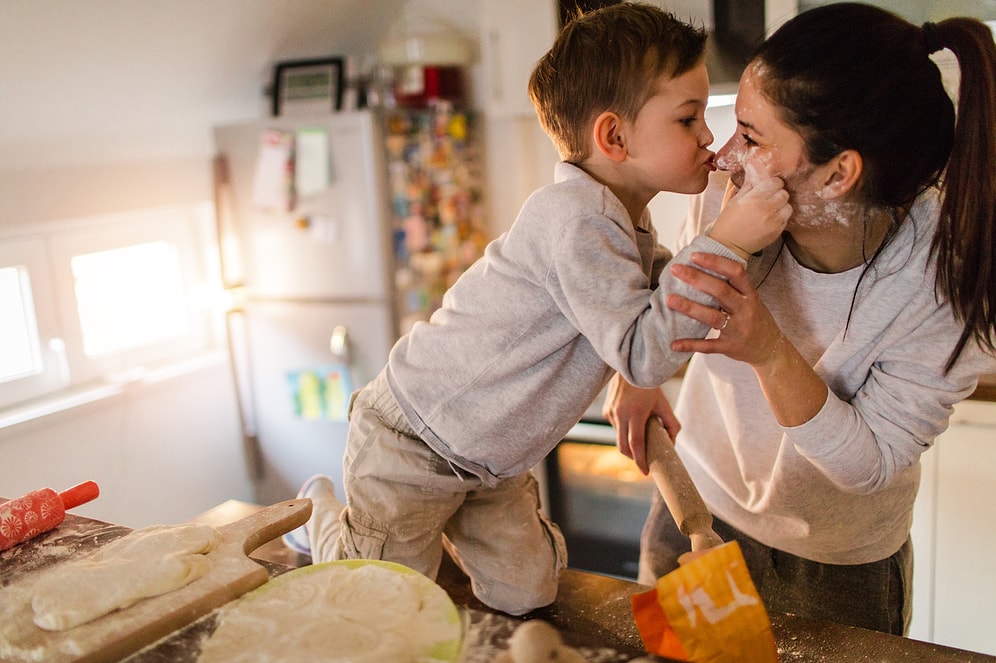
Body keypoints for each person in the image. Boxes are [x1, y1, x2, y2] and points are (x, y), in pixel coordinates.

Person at [281, 2, 790, 616]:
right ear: (614, 137)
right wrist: (729, 237)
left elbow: (666, 310)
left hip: (489, 463)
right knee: (383, 601)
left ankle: (418, 534)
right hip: (413, 444)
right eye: (689, 118)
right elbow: (642, 352)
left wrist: (734, 244)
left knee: (527, 594)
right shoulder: (574, 220)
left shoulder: (628, 222)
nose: (708, 136)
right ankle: (321, 519)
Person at [605, 2, 996, 635]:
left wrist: (767, 348)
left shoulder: (946, 279)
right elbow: (672, 289)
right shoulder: (726, 191)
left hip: (835, 568)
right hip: (697, 509)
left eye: (753, 138)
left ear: (840, 173)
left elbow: (868, 462)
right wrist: (639, 369)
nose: (723, 156)